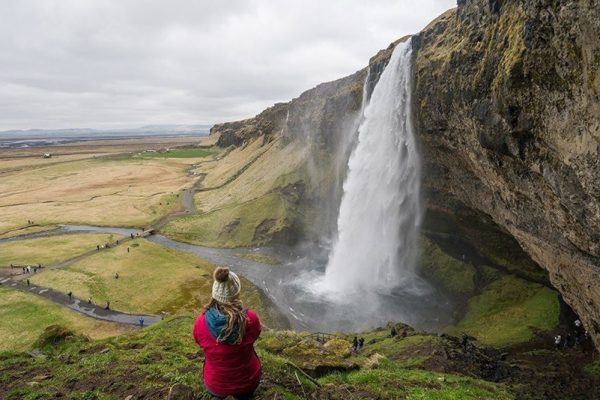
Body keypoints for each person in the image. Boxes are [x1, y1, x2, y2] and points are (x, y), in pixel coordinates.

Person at [193, 267, 262, 399]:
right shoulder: (251, 319)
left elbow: (198, 341)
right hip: (248, 381)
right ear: (236, 293)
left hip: (215, 385)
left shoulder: (200, 322)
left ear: (215, 294)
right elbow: (256, 334)